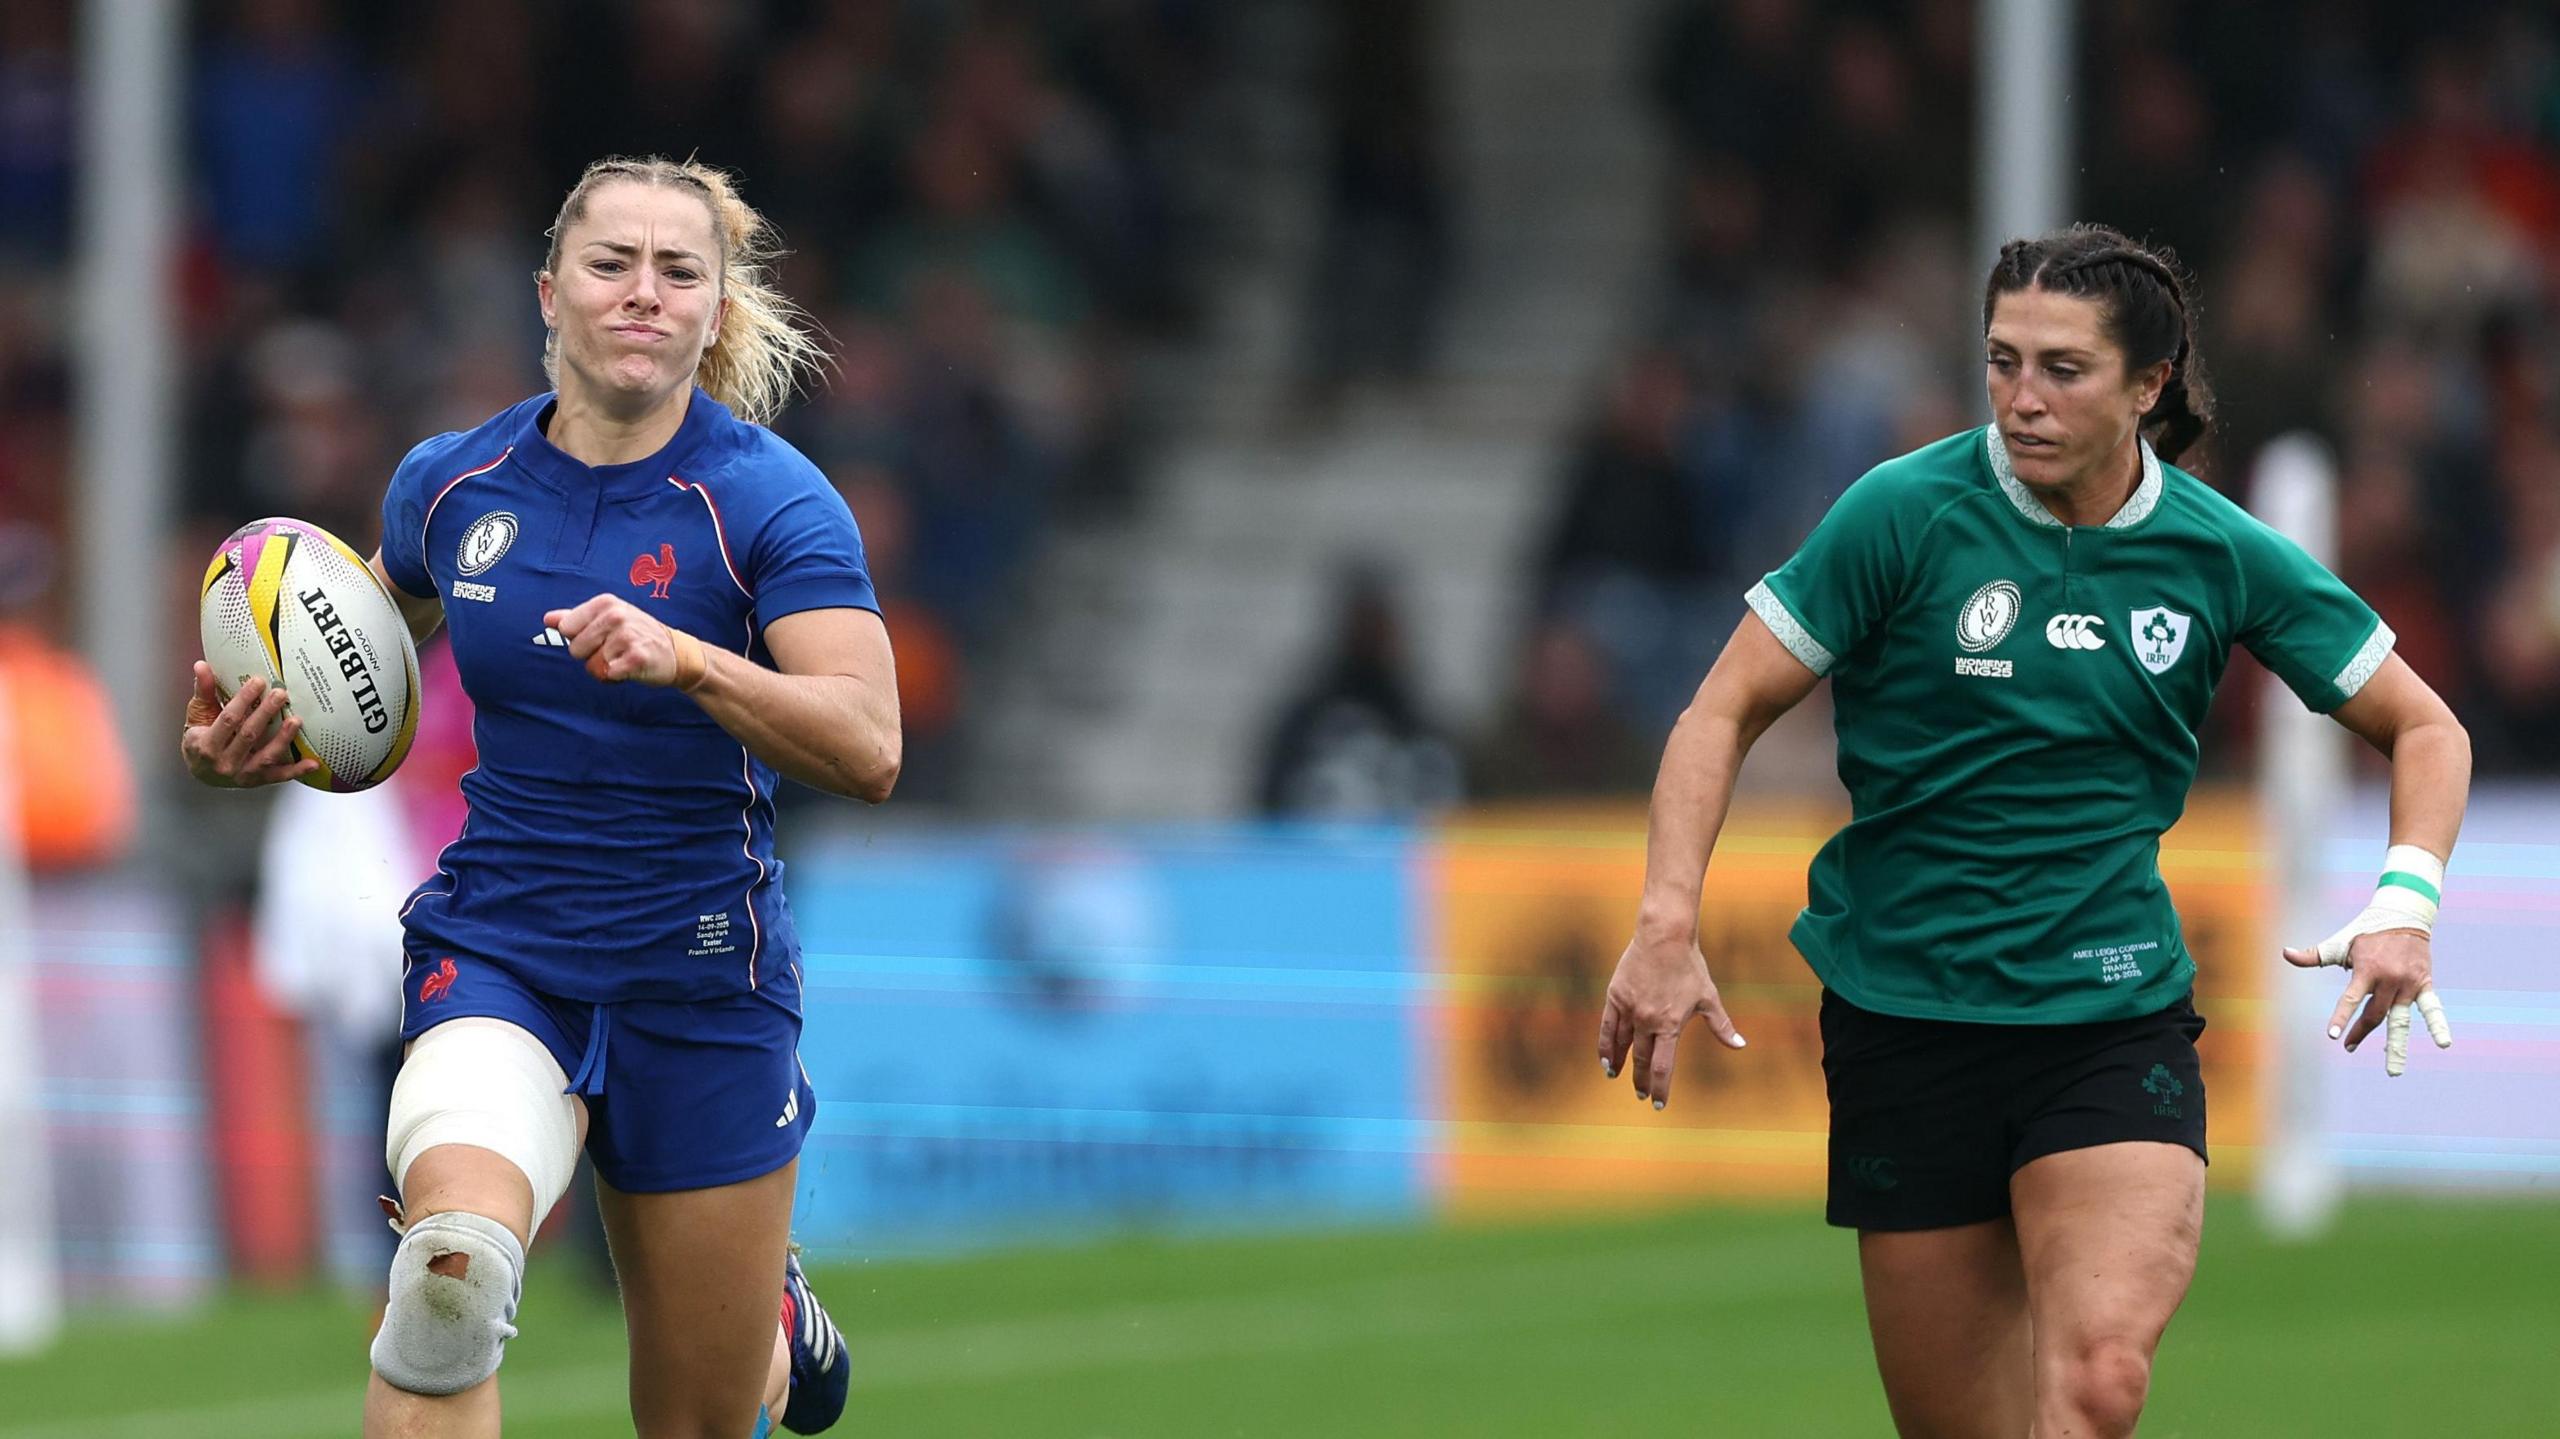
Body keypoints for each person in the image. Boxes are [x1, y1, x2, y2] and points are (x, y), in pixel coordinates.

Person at [1595, 224, 2470, 1439]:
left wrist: (2404, 900)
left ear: (2147, 384)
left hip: (2108, 1021)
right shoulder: (1900, 514)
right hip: (1907, 1022)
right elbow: (1721, 707)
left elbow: (2426, 729)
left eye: (2062, 368)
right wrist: (1664, 919)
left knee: (2100, 1378)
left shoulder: (2214, 550)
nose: (2020, 397)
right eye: (2002, 360)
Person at [181, 155, 900, 1439]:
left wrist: (690, 659)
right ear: (549, 293)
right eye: (611, 262)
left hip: (700, 978)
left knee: (695, 1415)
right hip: (504, 948)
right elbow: (354, 686)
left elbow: (868, 742)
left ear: (717, 311)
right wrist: (251, 741)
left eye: (680, 272)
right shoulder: (449, 486)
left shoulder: (773, 503)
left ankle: (765, 1320)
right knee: (449, 1276)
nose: (644, 292)